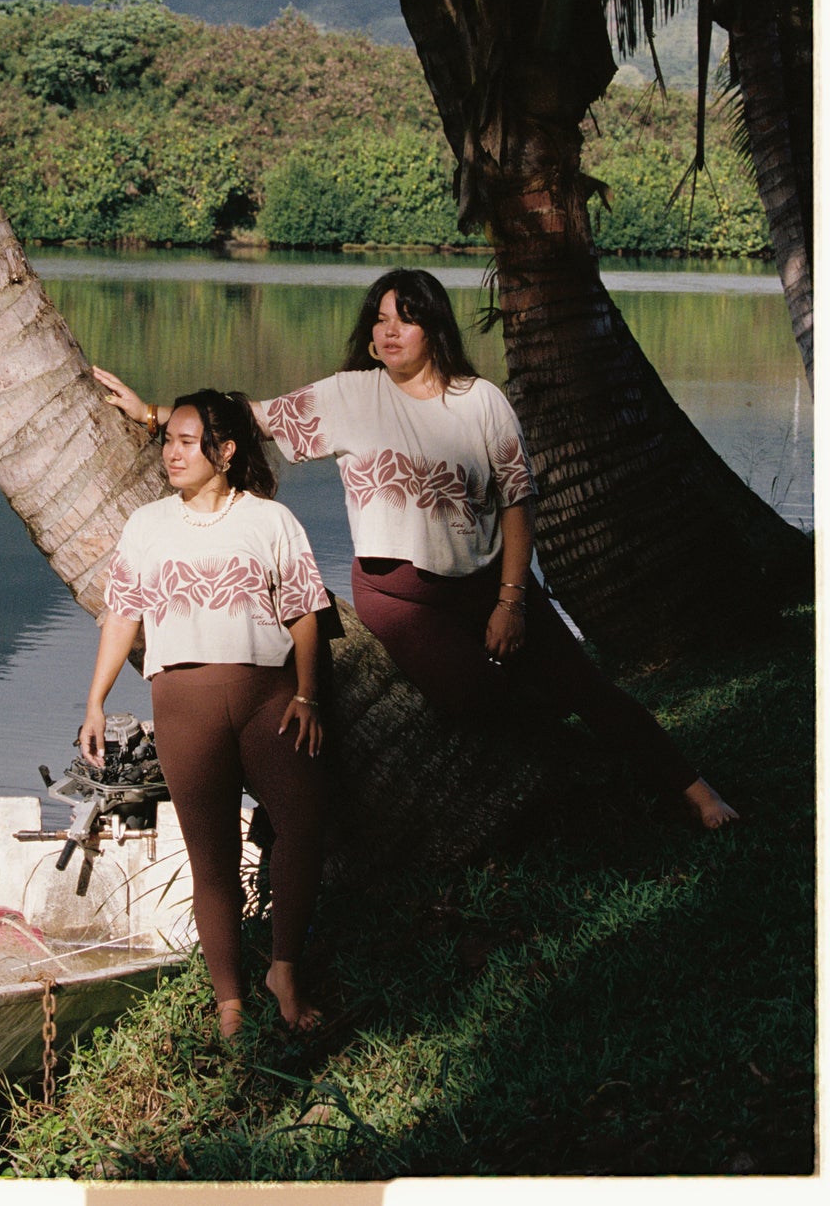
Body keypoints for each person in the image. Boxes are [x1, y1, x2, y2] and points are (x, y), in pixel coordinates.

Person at [93, 268, 738, 832]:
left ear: (435, 327)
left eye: (405, 318)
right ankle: (577, 758)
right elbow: (244, 418)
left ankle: (693, 788)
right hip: (397, 595)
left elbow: (517, 500)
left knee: (588, 685)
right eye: (379, 320)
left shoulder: (481, 403)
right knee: (471, 698)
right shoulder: (350, 396)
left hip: (488, 581)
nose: (389, 331)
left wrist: (512, 599)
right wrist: (151, 414)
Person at [81, 388, 331, 1039]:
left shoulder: (271, 521)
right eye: (169, 441)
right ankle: (230, 1002)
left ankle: (283, 970)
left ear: (225, 451)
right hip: (184, 707)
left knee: (301, 828)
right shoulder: (147, 525)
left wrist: (306, 695)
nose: (172, 453)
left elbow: (305, 612)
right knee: (210, 858)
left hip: (270, 699)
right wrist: (95, 700)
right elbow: (122, 618)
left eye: (188, 441)